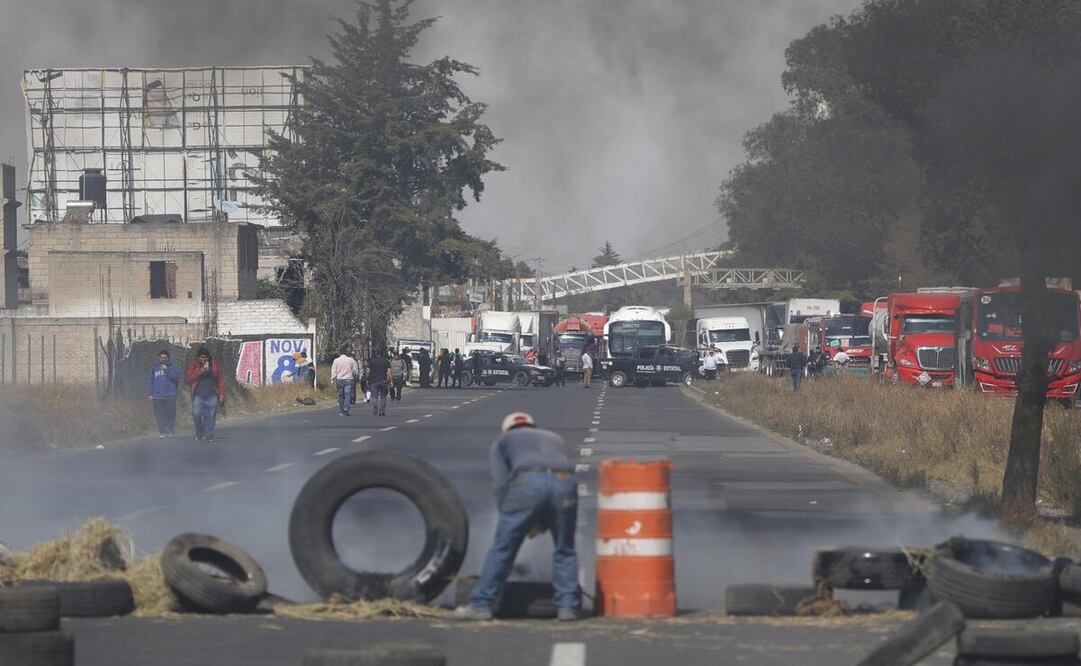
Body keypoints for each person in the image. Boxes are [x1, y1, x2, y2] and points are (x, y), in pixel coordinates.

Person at [454, 412, 581, 621]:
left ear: (506, 429)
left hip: (529, 480)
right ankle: (568, 608)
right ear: (533, 426)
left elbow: (501, 484)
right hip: (565, 481)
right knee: (565, 549)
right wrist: (544, 517)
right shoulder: (554, 437)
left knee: (503, 548)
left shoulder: (502, 441)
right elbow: (556, 472)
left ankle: (480, 605)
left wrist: (511, 516)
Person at [184, 347, 225, 442]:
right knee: (196, 414)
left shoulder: (214, 365)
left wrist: (221, 394)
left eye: (206, 357)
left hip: (212, 394)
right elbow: (188, 378)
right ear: (198, 357)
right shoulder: (194, 365)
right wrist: (199, 372)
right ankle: (199, 432)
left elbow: (220, 380)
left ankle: (209, 435)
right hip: (198, 394)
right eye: (202, 357)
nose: (204, 359)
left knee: (210, 416)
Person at [148, 349, 181, 438]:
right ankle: (162, 432)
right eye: (162, 358)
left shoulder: (174, 366)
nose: (164, 359)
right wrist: (151, 393)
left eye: (165, 358)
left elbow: (175, 377)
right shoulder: (155, 367)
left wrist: (167, 370)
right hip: (157, 395)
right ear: (159, 358)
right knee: (159, 414)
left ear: (168, 358)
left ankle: (170, 430)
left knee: (171, 414)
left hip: (170, 394)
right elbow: (151, 380)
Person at [331, 346, 360, 416]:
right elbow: (355, 370)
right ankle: (346, 407)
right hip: (348, 379)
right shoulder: (351, 360)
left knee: (341, 395)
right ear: (346, 353)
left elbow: (333, 371)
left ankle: (341, 411)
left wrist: (332, 379)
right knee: (347, 394)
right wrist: (355, 375)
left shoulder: (336, 360)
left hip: (339, 379)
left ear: (339, 353)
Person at [368, 350, 392, 416]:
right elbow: (389, 372)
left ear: (376, 354)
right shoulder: (386, 361)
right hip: (383, 380)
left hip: (374, 381)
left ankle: (375, 405)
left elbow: (368, 371)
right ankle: (382, 410)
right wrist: (391, 380)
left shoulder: (372, 361)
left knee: (374, 396)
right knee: (383, 396)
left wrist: (368, 379)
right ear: (382, 354)